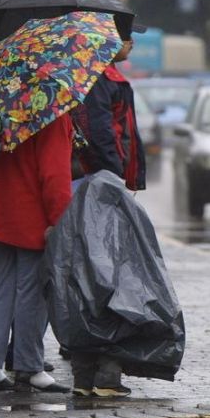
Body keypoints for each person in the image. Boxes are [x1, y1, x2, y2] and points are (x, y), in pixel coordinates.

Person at [67, 24, 148, 397]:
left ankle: (93, 373)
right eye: (127, 36)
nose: (132, 43)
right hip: (103, 189)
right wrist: (115, 180)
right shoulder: (101, 79)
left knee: (98, 279)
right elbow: (103, 134)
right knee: (106, 282)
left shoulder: (104, 77)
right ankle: (102, 374)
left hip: (105, 186)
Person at [0, 113, 73, 393]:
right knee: (33, 292)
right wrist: (59, 221)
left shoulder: (2, 108)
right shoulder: (54, 115)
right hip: (32, 216)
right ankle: (29, 367)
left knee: (3, 286)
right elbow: (55, 175)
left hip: (0, 211)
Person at [71, 22, 147, 193]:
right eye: (126, 36)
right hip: (99, 179)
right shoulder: (96, 78)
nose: (132, 42)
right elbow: (99, 132)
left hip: (104, 177)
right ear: (107, 39)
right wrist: (113, 176)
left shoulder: (108, 75)